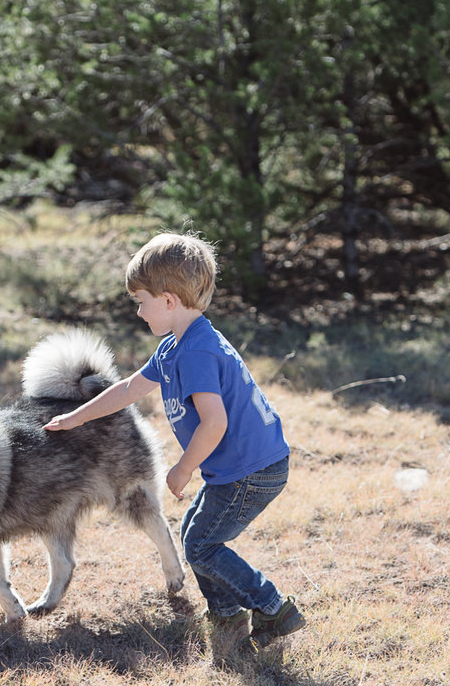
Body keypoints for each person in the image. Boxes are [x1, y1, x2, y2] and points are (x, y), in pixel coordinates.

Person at [42, 233, 304, 663]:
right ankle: (227, 616)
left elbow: (215, 422)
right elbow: (129, 387)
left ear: (168, 300)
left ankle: (273, 608)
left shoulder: (198, 352)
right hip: (237, 468)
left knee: (202, 545)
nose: (139, 311)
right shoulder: (173, 348)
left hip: (253, 469)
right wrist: (77, 416)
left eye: (141, 301)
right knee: (196, 535)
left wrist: (182, 469)